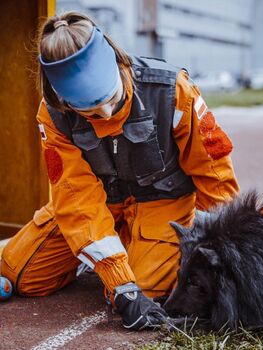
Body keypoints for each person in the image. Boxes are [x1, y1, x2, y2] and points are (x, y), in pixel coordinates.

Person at [0, 12, 239, 330]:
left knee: (147, 289)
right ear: (63, 100)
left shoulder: (173, 91)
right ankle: (109, 251)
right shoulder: (54, 115)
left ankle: (124, 252)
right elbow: (76, 197)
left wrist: (223, 253)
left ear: (118, 63)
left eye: (110, 98)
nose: (107, 113)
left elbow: (214, 175)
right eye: (90, 111)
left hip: (162, 202)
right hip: (101, 205)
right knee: (22, 275)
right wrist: (118, 280)